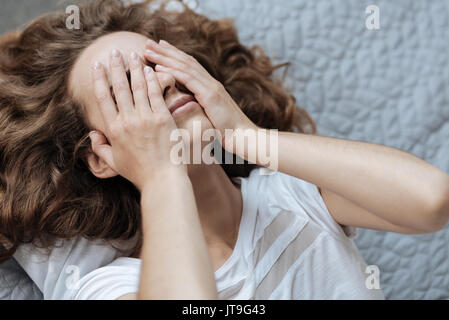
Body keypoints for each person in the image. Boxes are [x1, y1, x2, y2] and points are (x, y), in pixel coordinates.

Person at [1, 0, 448, 300]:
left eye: (159, 63)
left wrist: (246, 136)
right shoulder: (114, 284)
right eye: (129, 88)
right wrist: (160, 174)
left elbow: (431, 201)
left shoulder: (290, 194)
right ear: (100, 157)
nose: (161, 80)